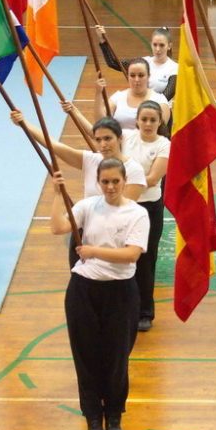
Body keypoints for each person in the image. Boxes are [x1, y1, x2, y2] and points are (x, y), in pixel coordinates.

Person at [49, 159, 149, 430]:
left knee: (117, 357)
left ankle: (114, 414)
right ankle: (93, 415)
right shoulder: (86, 206)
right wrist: (57, 195)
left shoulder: (137, 213)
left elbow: (131, 254)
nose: (110, 187)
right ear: (98, 181)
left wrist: (93, 250)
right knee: (86, 356)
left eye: (115, 181)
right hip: (83, 290)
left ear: (124, 180)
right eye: (105, 181)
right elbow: (58, 228)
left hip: (121, 292)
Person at [65, 100, 169, 332]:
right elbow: (100, 133)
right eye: (144, 119)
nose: (148, 123)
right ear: (136, 122)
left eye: (153, 120)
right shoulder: (128, 137)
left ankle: (144, 312)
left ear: (161, 121)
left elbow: (150, 180)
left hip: (142, 207)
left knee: (143, 262)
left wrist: (128, 179)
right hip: (115, 204)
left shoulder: (162, 145)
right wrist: (75, 112)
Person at [10, 111, 147, 201]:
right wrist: (24, 123)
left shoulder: (134, 170)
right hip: (86, 230)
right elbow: (52, 144)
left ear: (120, 138)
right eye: (98, 140)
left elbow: (125, 211)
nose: (103, 144)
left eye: (107, 138)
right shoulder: (90, 159)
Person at [95, 58, 171, 129]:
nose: (136, 79)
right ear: (128, 76)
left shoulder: (160, 100)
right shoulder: (118, 97)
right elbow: (101, 123)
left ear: (148, 76)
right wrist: (98, 93)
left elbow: (161, 132)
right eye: (132, 75)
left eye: (141, 75)